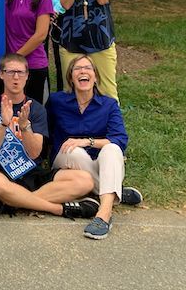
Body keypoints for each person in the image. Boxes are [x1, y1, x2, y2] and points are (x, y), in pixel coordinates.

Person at [0, 54, 99, 220]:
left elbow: (35, 153)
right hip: (3, 174)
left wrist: (24, 127)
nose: (15, 77)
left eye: (20, 72)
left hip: (33, 174)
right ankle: (57, 209)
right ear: (1, 74)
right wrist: (4, 125)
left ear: (27, 76)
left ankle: (10, 202)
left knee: (85, 180)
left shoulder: (35, 108)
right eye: (10, 72)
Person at [47, 55, 142, 239]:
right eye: (77, 68)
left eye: (88, 68)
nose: (83, 71)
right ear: (71, 77)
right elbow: (46, 132)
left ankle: (103, 215)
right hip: (67, 159)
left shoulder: (108, 105)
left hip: (99, 162)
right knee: (74, 151)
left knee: (112, 149)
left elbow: (120, 139)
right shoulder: (56, 101)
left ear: (96, 76)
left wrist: (88, 141)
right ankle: (113, 192)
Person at [57, 0, 118, 101]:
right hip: (72, 42)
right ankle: (73, 126)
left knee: (107, 90)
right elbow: (66, 4)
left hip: (101, 40)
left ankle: (111, 126)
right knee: (71, 91)